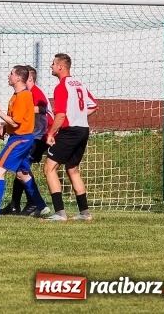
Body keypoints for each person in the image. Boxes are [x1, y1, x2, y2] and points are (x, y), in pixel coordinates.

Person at [0, 65, 48, 219]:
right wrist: (5, 127)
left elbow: (16, 123)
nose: (8, 75)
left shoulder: (22, 96)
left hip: (19, 139)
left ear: (18, 78)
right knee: (23, 174)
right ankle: (42, 206)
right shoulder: (17, 96)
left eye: (11, 73)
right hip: (24, 138)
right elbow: (16, 121)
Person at [42, 53, 98, 221]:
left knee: (49, 169)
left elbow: (60, 115)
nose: (51, 66)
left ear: (61, 67)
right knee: (72, 169)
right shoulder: (79, 84)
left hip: (70, 131)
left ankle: (59, 213)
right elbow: (94, 106)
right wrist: (78, 115)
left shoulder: (61, 86)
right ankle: (84, 213)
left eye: (53, 64)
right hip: (83, 130)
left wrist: (51, 134)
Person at [0, 65, 50, 215]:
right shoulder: (22, 95)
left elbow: (43, 109)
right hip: (29, 134)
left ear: (29, 78)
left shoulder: (33, 93)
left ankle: (34, 202)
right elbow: (17, 116)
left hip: (39, 136)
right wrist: (5, 125)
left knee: (21, 171)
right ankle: (18, 204)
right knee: (21, 170)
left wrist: (26, 109)